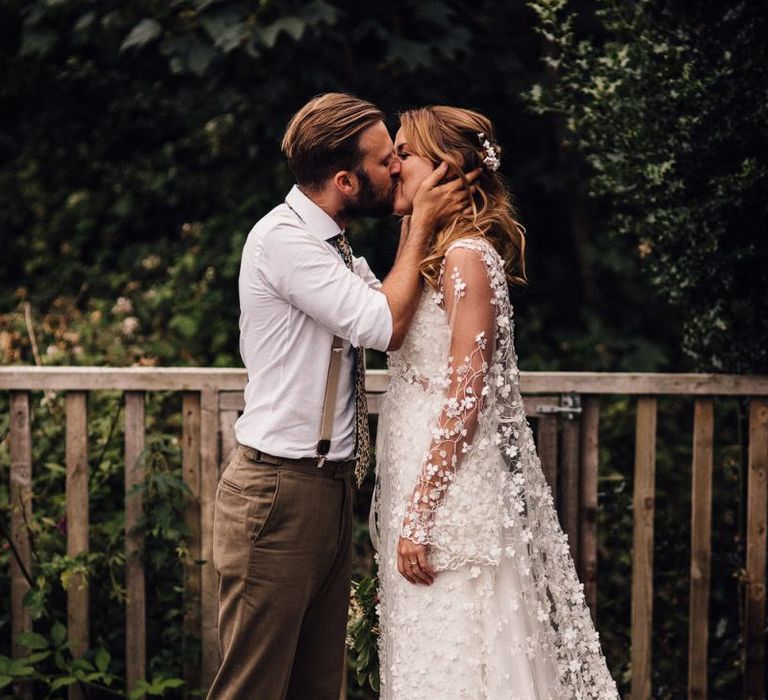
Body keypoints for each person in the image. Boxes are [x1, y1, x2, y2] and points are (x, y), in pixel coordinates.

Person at [208, 93, 475, 700]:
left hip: (328, 488)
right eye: (388, 162)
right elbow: (383, 327)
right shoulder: (284, 241)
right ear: (346, 181)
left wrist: (419, 222)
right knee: (252, 687)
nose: (400, 169)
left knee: (316, 687)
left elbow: (386, 303)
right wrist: (425, 222)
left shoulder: (334, 245)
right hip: (278, 492)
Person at [372, 106, 619, 699]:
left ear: (446, 169)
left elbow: (466, 395)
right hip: (417, 476)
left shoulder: (467, 259)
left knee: (462, 656)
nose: (392, 165)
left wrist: (422, 511)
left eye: (404, 153)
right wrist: (416, 225)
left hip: (450, 496)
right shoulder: (431, 256)